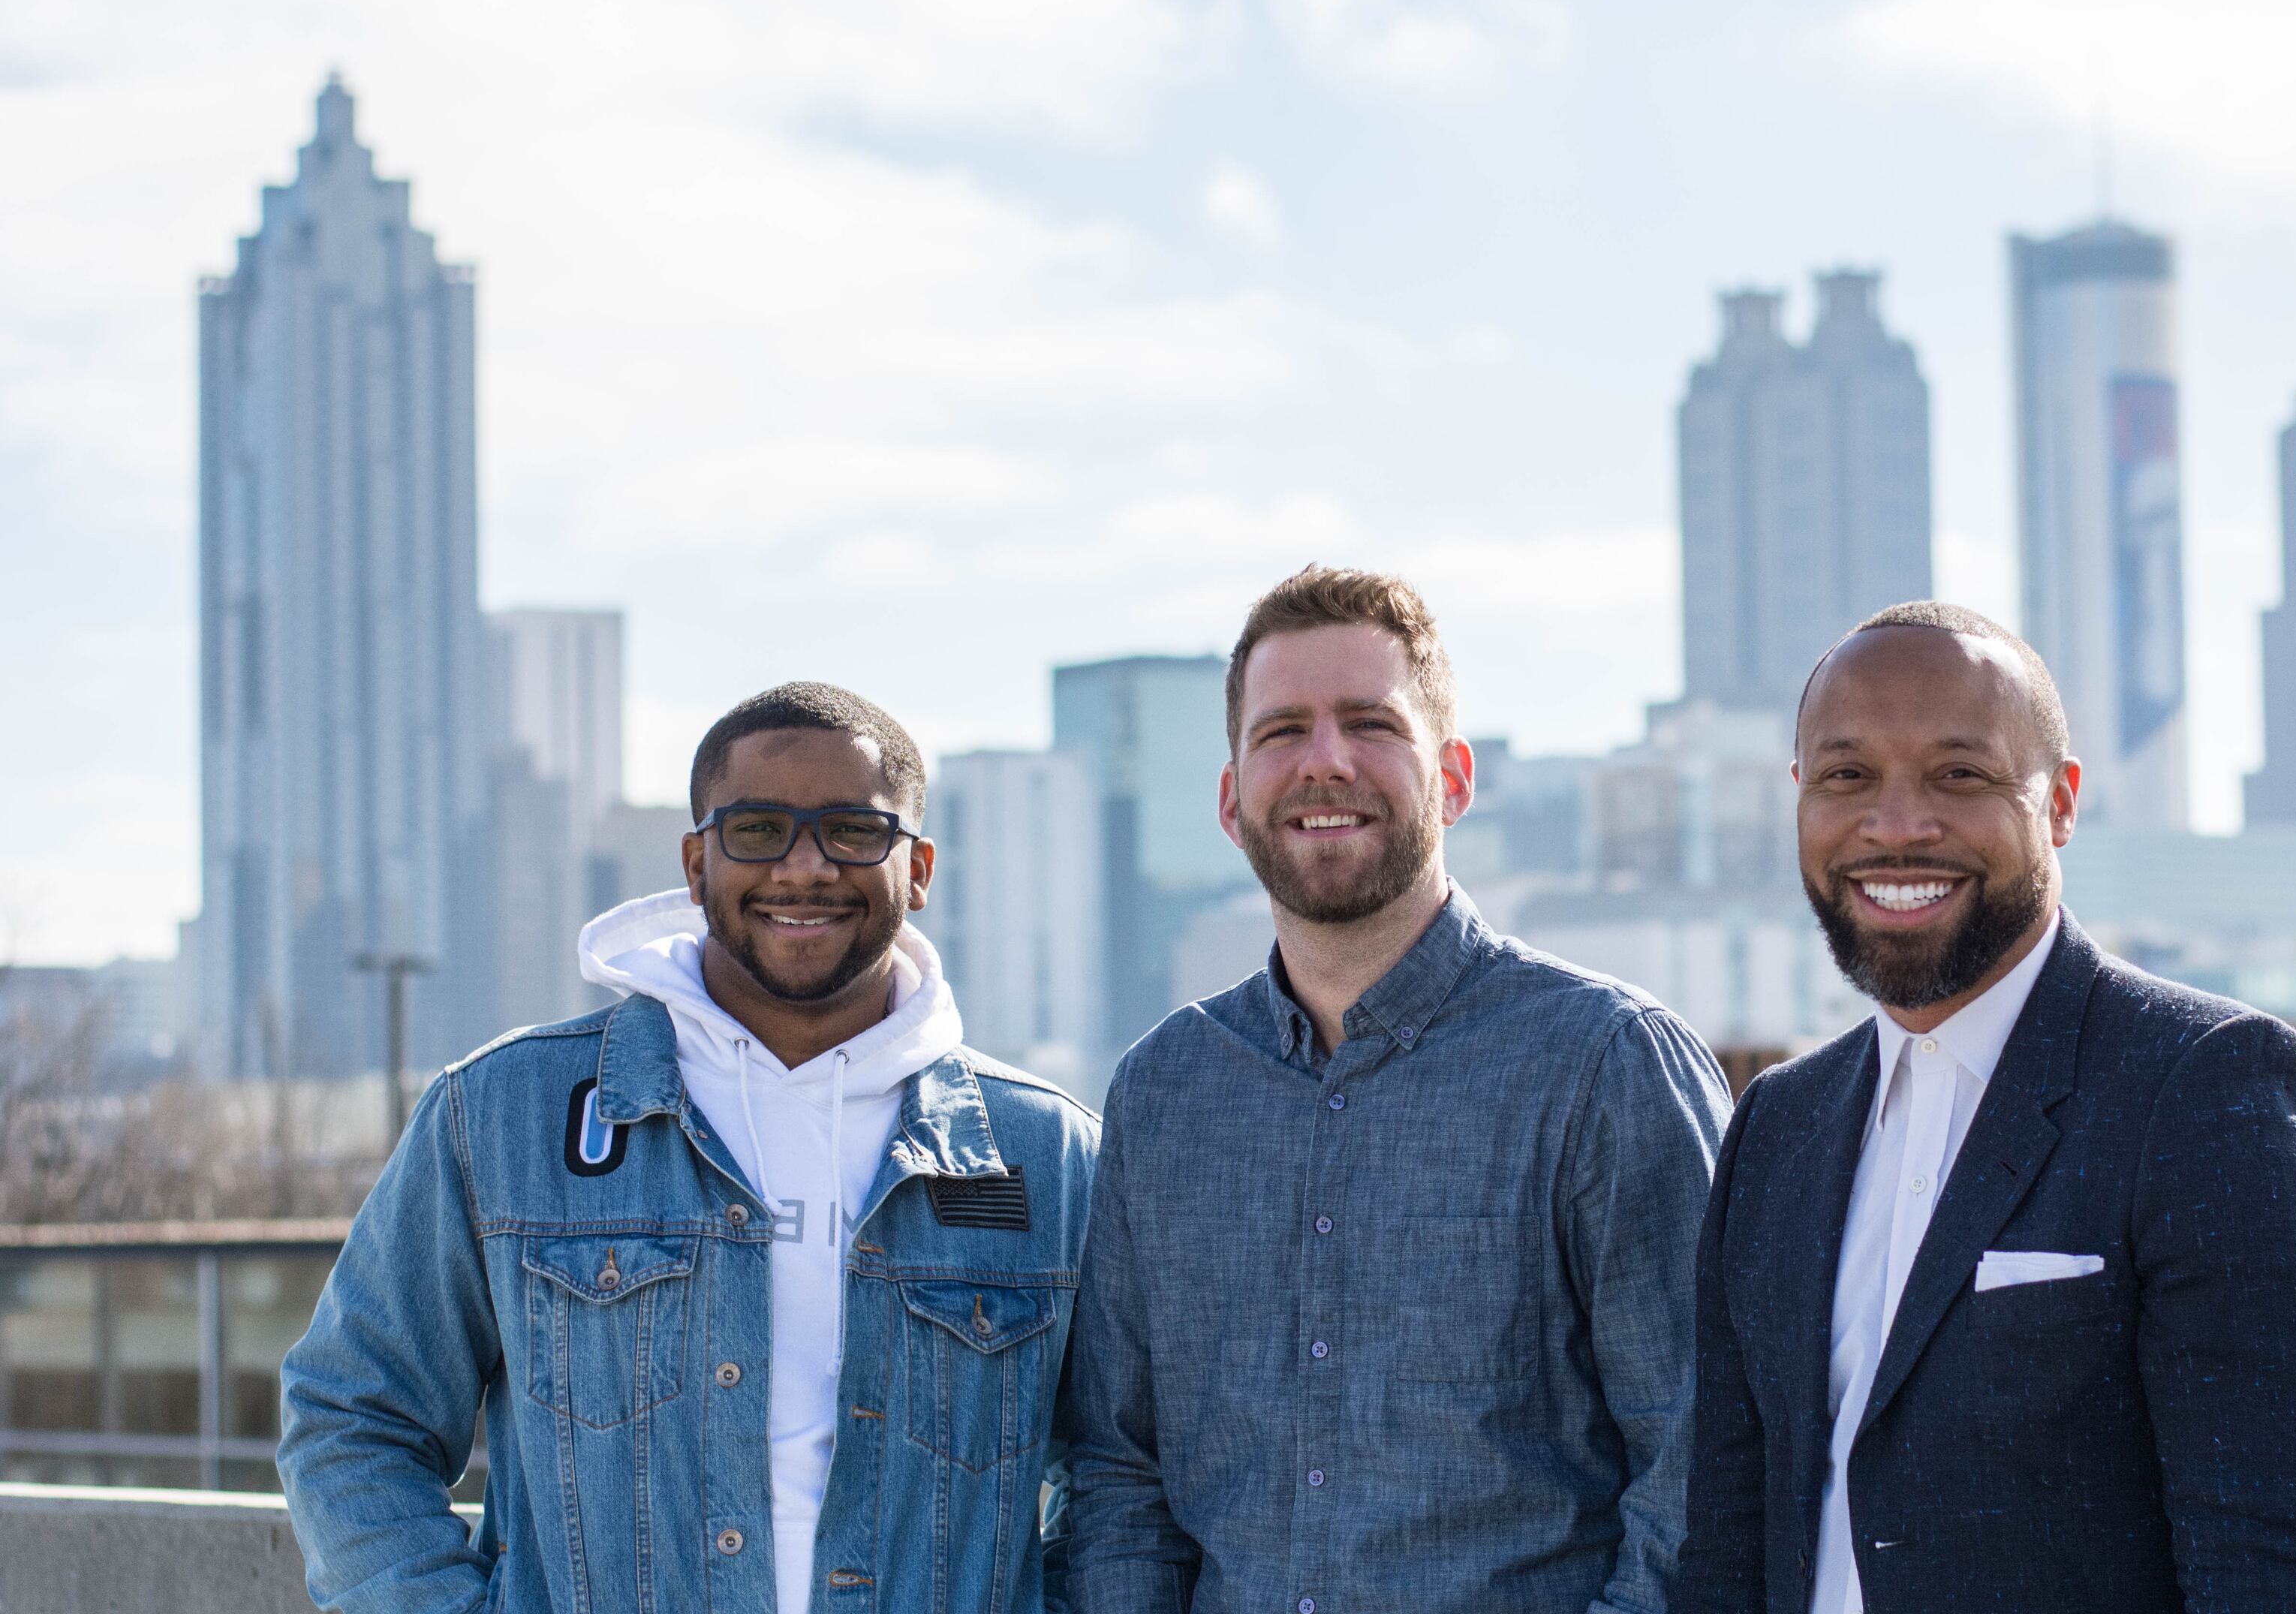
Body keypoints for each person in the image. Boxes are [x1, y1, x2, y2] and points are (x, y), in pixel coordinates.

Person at [278, 682, 1097, 1614]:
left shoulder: (1046, 1154)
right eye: (757, 830)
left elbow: (1121, 1478)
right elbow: (352, 1417)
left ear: (918, 869)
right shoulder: (504, 1116)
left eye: (854, 830)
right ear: (696, 861)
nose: (805, 867)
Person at [1679, 603, 2296, 1614]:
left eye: (1959, 775)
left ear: (2060, 804)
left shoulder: (2212, 1093)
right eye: (1848, 778)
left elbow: (2282, 1586)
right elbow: (1726, 1558)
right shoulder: (1776, 1128)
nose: (1897, 824)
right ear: (1800, 799)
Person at [1065, 565, 1734, 1614]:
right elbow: (1121, 1476)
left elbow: (1704, 1463)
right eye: (1282, 731)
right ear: (1233, 800)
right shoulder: (1164, 1094)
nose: (1324, 761)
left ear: (1455, 780)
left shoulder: (1608, 1065)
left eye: (1369, 724)